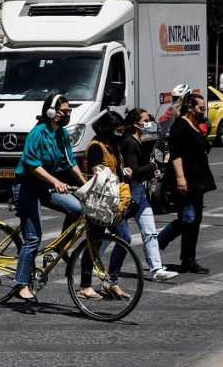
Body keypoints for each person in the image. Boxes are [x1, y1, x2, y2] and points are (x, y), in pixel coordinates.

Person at [11, 94, 86, 303]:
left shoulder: (62, 134)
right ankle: (21, 284)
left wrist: (85, 184)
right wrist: (55, 182)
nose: (67, 114)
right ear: (51, 112)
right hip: (26, 187)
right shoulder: (38, 133)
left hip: (43, 187)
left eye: (69, 111)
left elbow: (70, 162)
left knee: (77, 209)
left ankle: (62, 245)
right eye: (64, 111)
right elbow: (33, 166)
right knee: (33, 237)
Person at [76, 112, 135, 301]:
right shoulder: (95, 147)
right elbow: (97, 174)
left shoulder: (113, 146)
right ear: (107, 128)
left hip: (112, 202)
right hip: (99, 203)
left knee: (124, 238)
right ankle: (85, 286)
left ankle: (111, 282)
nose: (120, 132)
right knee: (94, 243)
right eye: (117, 128)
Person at [157, 93, 216, 274]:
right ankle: (156, 243)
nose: (203, 111)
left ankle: (188, 260)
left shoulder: (195, 125)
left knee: (194, 220)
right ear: (190, 107)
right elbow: (176, 154)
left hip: (197, 180)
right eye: (200, 108)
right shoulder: (180, 126)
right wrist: (181, 178)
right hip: (184, 180)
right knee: (189, 219)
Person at [121, 108, 178, 282]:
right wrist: (152, 168)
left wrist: (153, 172)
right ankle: (93, 264)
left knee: (150, 232)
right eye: (145, 120)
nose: (147, 123)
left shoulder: (139, 141)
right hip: (129, 193)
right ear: (134, 123)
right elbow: (135, 172)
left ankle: (156, 269)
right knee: (113, 233)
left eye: (148, 120)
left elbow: (142, 169)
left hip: (141, 193)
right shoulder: (130, 143)